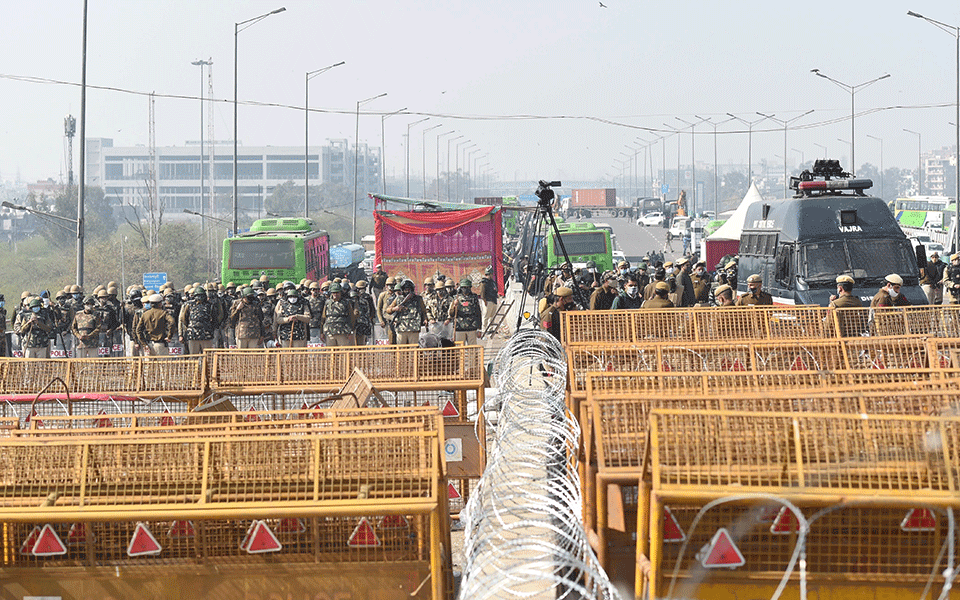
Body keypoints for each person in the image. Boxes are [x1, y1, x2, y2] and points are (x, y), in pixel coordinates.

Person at [180, 286, 219, 355]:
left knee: (208, 356)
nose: (200, 297)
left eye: (201, 295)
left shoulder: (210, 305)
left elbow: (215, 319)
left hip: (206, 335)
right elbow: (184, 318)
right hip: (193, 335)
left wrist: (210, 328)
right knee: (194, 356)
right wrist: (190, 326)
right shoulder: (189, 305)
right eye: (198, 295)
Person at [387, 279, 427, 345]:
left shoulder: (418, 299)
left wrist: (425, 319)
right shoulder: (399, 299)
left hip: (414, 328)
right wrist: (395, 309)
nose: (407, 291)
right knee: (402, 350)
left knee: (413, 350)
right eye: (405, 289)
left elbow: (423, 311)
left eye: (409, 289)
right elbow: (388, 310)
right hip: (401, 328)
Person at [320, 282, 358, 346]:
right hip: (330, 333)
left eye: (337, 292)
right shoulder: (327, 303)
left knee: (343, 353)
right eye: (334, 292)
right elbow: (323, 318)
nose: (335, 294)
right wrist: (321, 332)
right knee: (331, 353)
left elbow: (351, 317)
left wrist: (351, 331)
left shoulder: (346, 303)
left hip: (343, 333)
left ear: (340, 293)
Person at [448, 277, 483, 344]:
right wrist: (454, 306)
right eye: (463, 287)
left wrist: (479, 328)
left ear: (470, 288)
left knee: (472, 349)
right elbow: (451, 313)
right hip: (459, 327)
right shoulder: (456, 298)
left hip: (472, 327)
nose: (465, 289)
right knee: (460, 349)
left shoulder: (474, 297)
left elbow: (478, 313)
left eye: (467, 287)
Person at [353, 280, 376, 345]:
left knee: (363, 341)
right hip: (359, 322)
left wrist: (372, 318)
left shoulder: (367, 297)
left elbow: (372, 310)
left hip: (364, 322)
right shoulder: (355, 298)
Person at [478, 267, 500, 334]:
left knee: (492, 316)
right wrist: (484, 301)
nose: (490, 275)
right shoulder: (484, 282)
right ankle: (484, 329)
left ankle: (490, 329)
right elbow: (482, 292)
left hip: (493, 300)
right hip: (487, 301)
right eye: (489, 274)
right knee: (486, 316)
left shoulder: (492, 282)